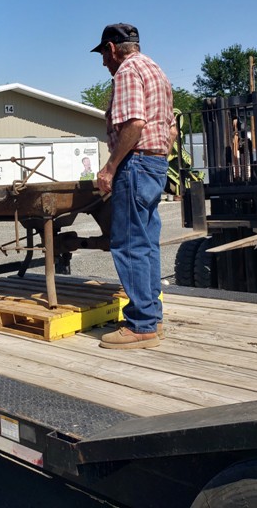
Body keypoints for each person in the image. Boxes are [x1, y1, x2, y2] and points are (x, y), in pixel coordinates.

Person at [91, 23, 174, 350]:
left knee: (128, 243)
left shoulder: (126, 71)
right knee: (147, 242)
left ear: (112, 48)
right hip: (155, 164)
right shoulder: (156, 69)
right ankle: (152, 319)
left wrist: (110, 167)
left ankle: (141, 325)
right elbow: (171, 129)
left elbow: (135, 124)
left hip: (135, 164)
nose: (104, 63)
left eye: (103, 55)